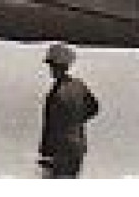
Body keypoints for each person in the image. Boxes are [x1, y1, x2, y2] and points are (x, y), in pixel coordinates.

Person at [38, 42, 99, 179]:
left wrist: (45, 153)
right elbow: (94, 108)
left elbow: (50, 125)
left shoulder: (56, 93)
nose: (51, 69)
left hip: (59, 150)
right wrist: (76, 121)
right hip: (77, 148)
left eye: (52, 65)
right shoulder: (79, 85)